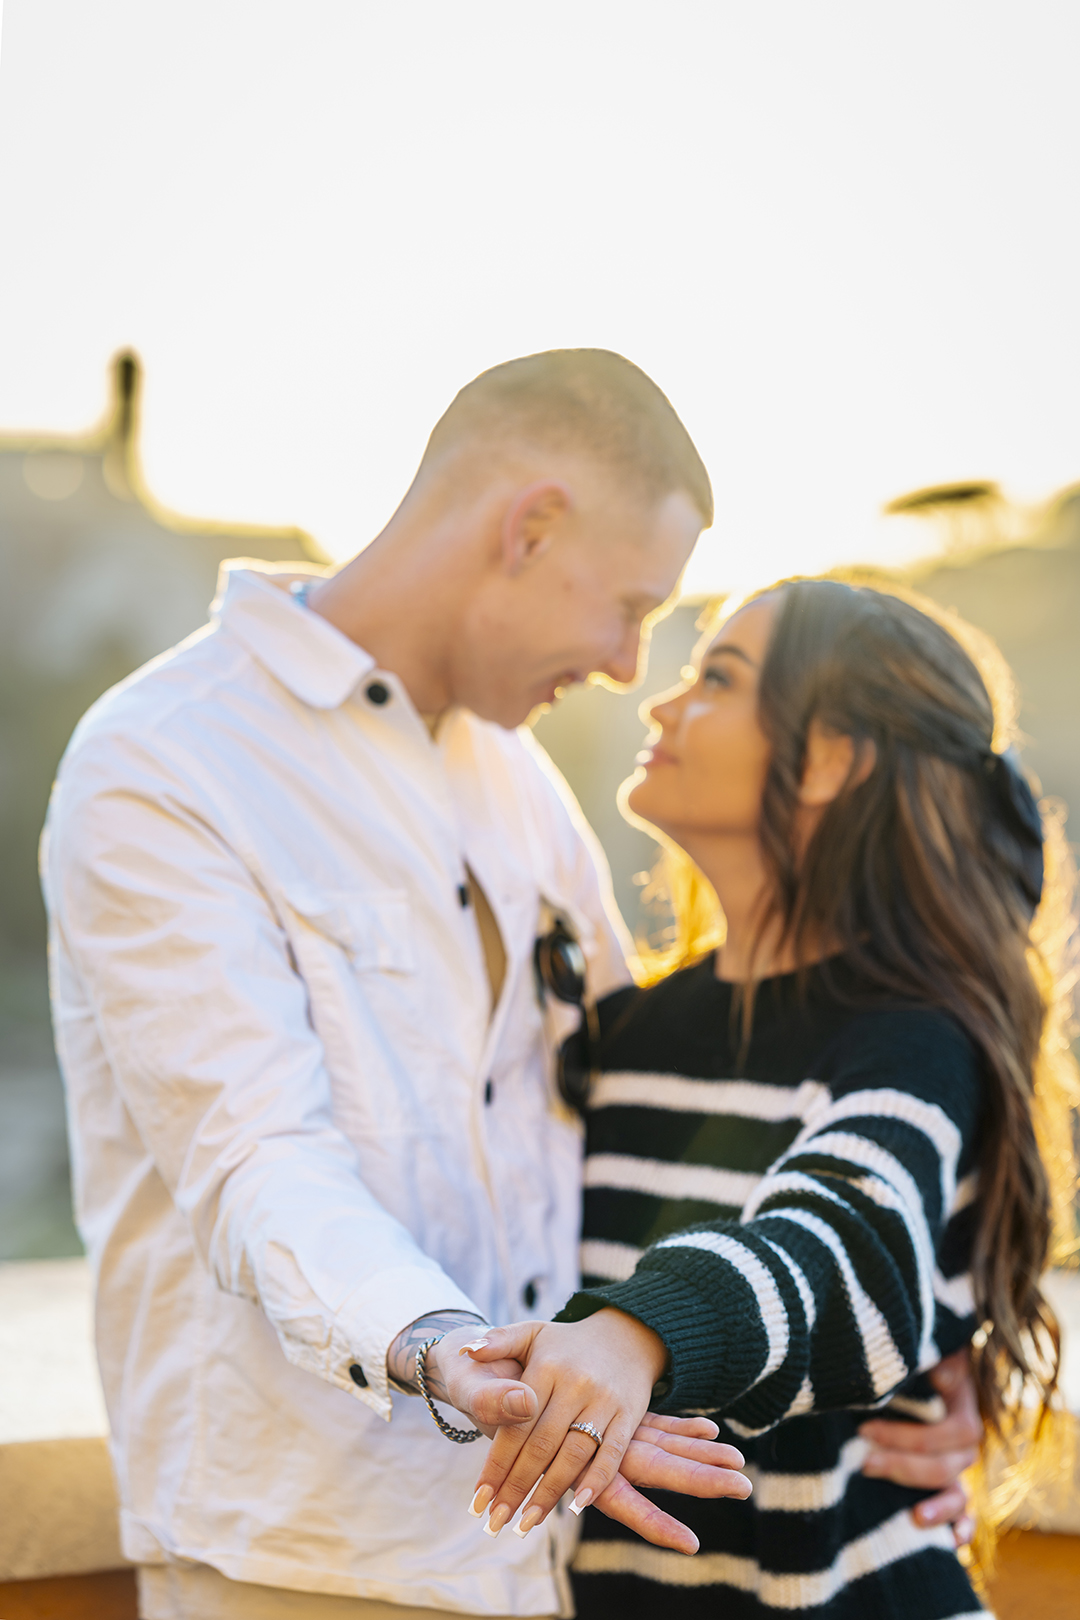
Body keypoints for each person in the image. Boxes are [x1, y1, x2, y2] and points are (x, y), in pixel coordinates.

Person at [43, 347, 975, 1620]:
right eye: (632, 606)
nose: (625, 661)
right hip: (305, 1561)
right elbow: (258, 1158)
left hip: (545, 1557)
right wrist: (443, 1356)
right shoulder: (166, 764)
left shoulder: (521, 788)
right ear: (530, 527)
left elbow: (673, 1090)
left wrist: (932, 1340)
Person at [463, 580, 1074, 1617]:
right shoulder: (627, 1037)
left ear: (833, 757)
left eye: (719, 679)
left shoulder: (915, 1038)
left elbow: (848, 1248)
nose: (662, 704)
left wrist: (635, 1333)